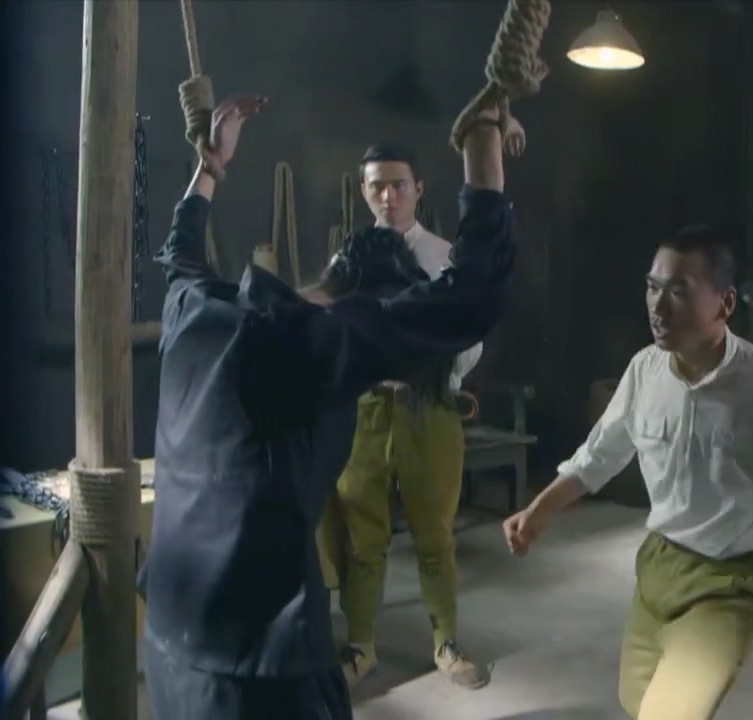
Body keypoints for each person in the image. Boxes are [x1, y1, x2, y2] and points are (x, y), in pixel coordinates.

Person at [141, 94, 517, 720]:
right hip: (254, 667)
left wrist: (210, 167)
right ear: (366, 305)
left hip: (168, 633)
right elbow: (476, 295)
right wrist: (484, 137)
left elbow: (179, 248)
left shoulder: (195, 305)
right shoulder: (311, 348)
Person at [502, 226, 753, 720]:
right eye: (653, 288)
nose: (658, 306)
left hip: (730, 582)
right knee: (637, 703)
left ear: (725, 303)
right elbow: (598, 455)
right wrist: (538, 510)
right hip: (659, 565)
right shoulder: (645, 370)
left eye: (679, 292)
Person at [321, 144, 495, 689]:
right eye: (377, 186)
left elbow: (470, 337)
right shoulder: (347, 263)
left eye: (399, 184)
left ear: (418, 188)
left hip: (429, 406)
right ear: (363, 192)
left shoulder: (445, 258)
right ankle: (361, 646)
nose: (388, 196)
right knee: (362, 534)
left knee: (434, 531)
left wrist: (437, 370)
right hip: (365, 408)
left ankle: (447, 643)